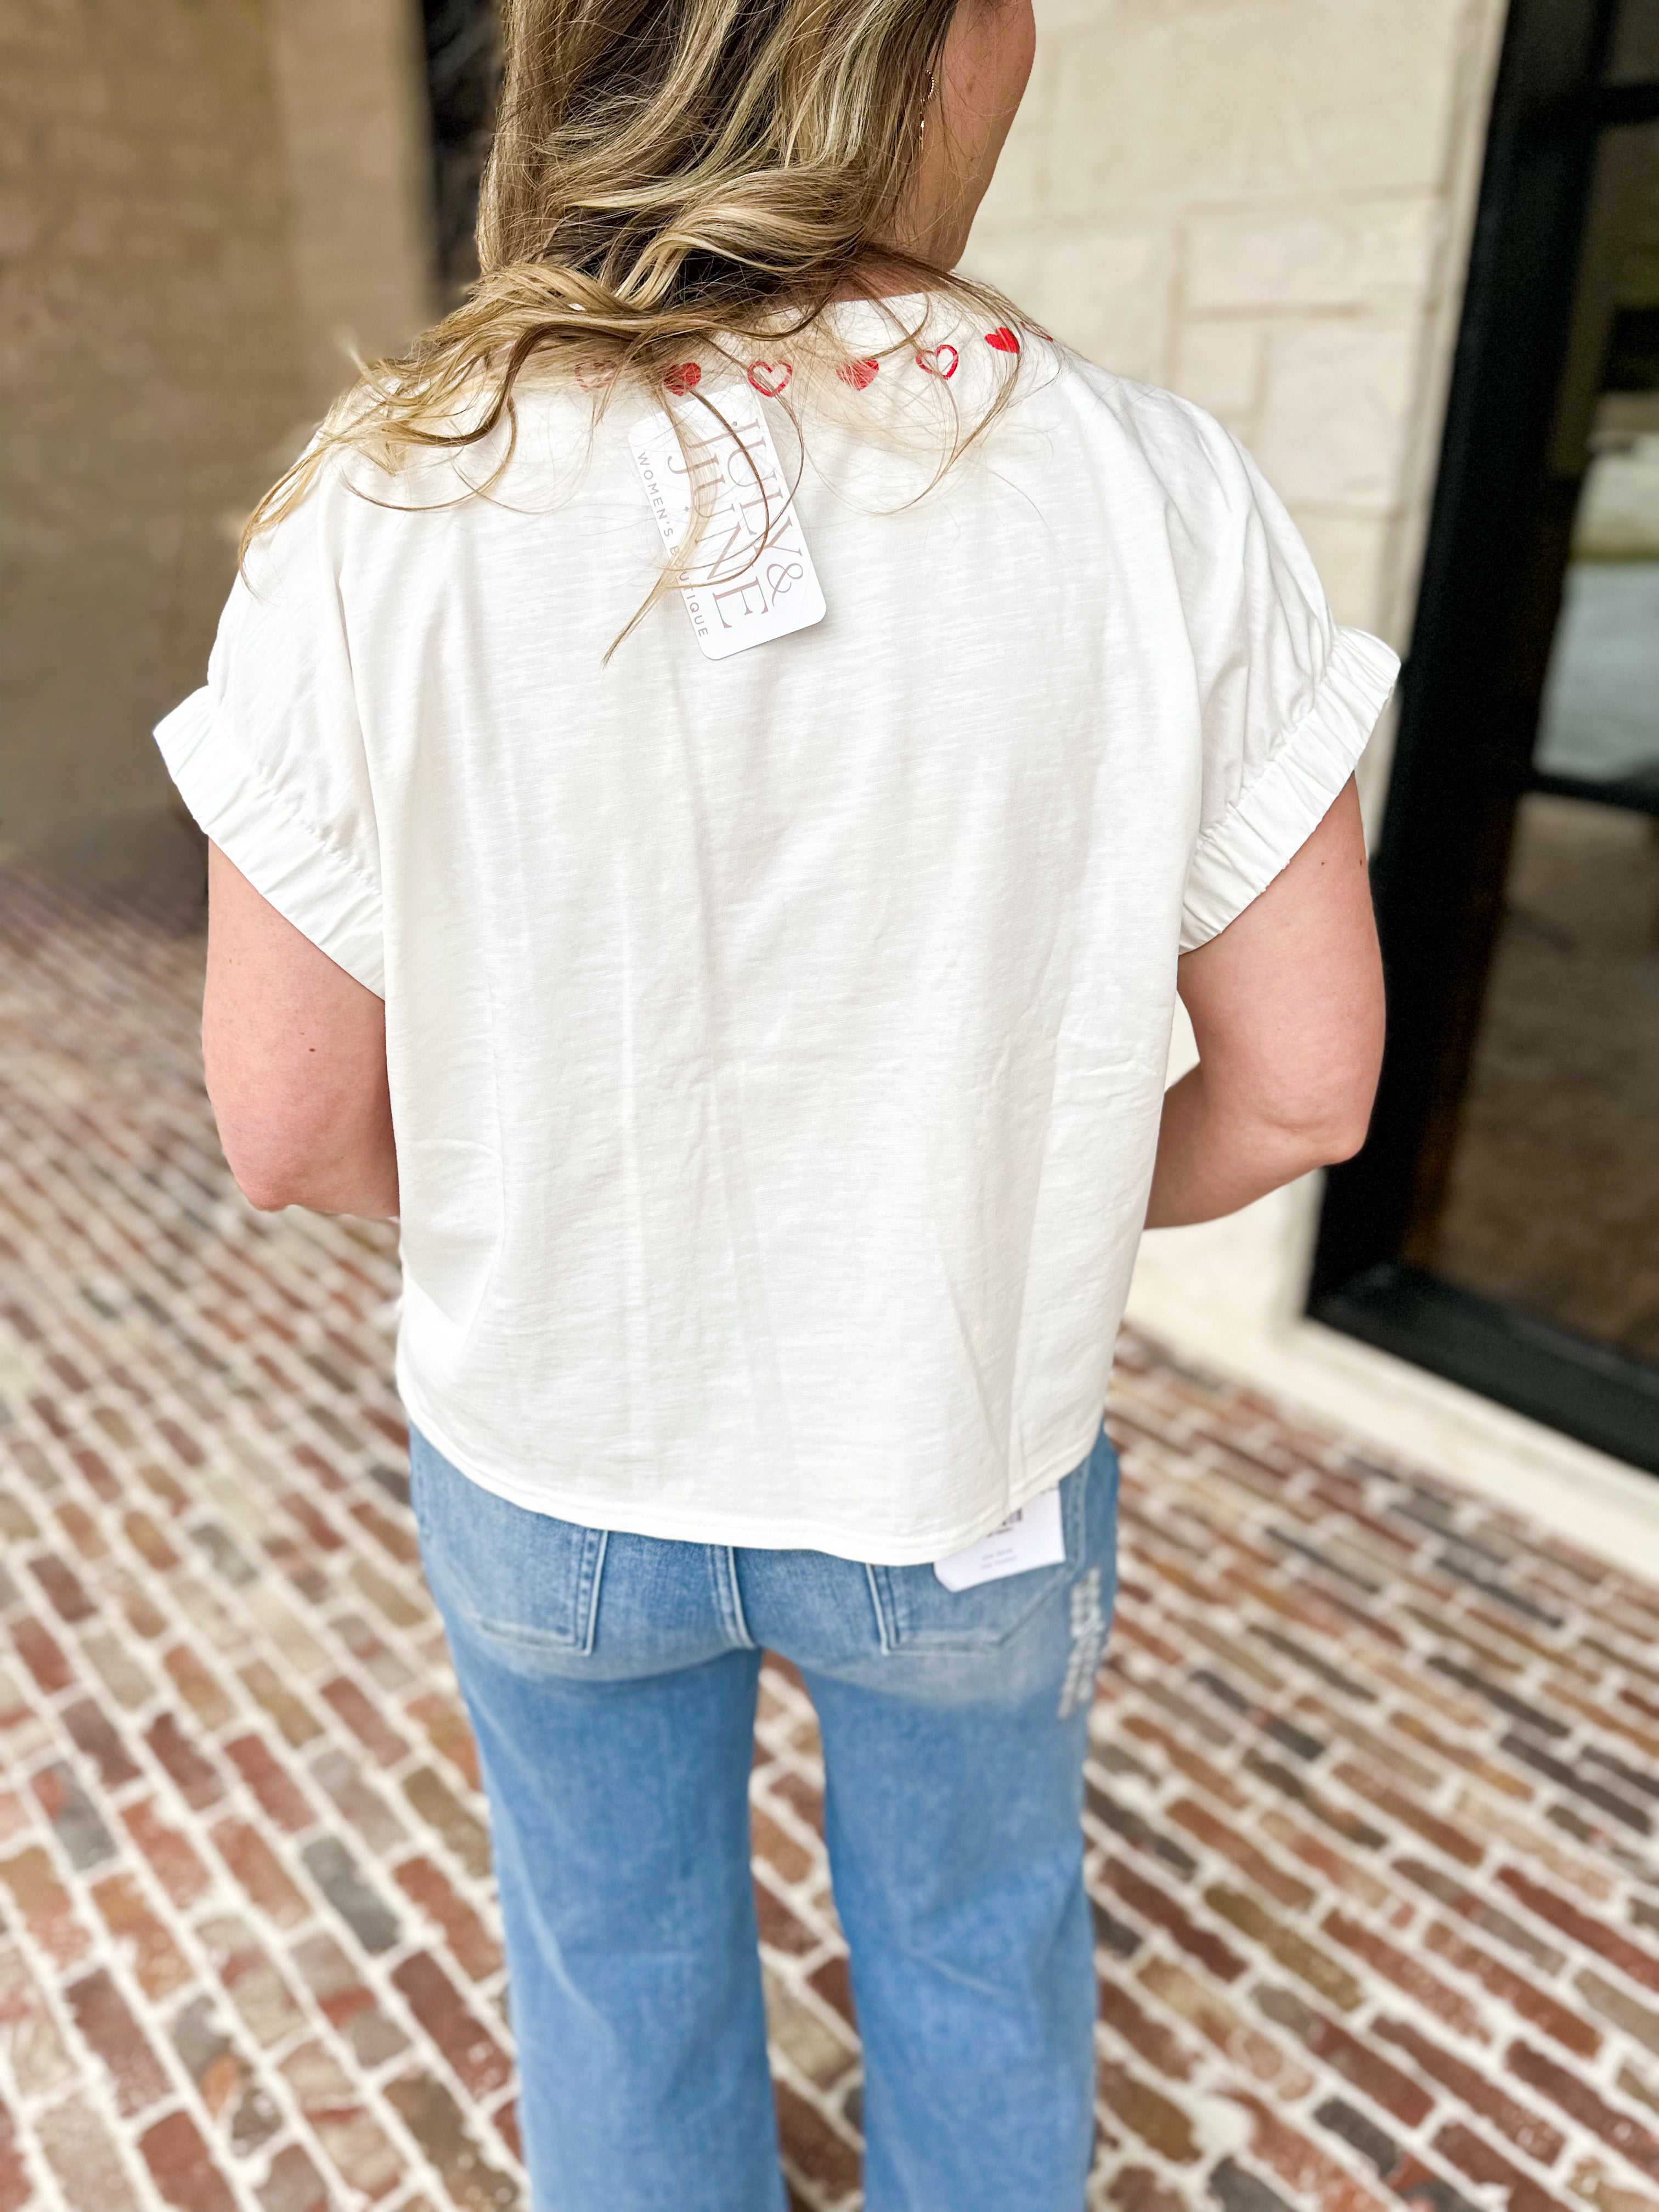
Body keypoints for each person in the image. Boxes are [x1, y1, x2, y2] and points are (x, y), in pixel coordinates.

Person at [155, 2, 1393, 2205]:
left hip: (552, 1459)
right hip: (958, 1454)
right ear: (935, 46)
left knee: (614, 1974)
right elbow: (1305, 1091)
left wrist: (551, 1190)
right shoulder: (1154, 489)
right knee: (981, 1953)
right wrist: (1012, 1196)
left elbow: (289, 1124)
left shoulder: (383, 496)